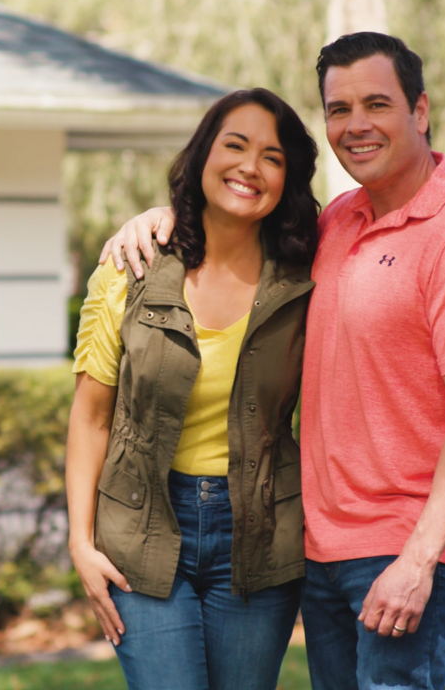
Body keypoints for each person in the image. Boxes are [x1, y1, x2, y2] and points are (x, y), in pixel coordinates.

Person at [99, 32, 445, 690]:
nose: (355, 126)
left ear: (420, 111)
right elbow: (234, 220)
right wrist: (161, 217)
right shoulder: (336, 224)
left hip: (406, 549)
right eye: (339, 109)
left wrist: (420, 559)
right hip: (321, 549)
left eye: (377, 104)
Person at [66, 87, 320, 690]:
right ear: (203, 153)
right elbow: (90, 418)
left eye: (272, 157)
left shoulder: (308, 278)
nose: (249, 167)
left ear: (288, 178)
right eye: (234, 145)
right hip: (142, 526)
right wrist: (80, 542)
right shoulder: (129, 269)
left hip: (260, 531)